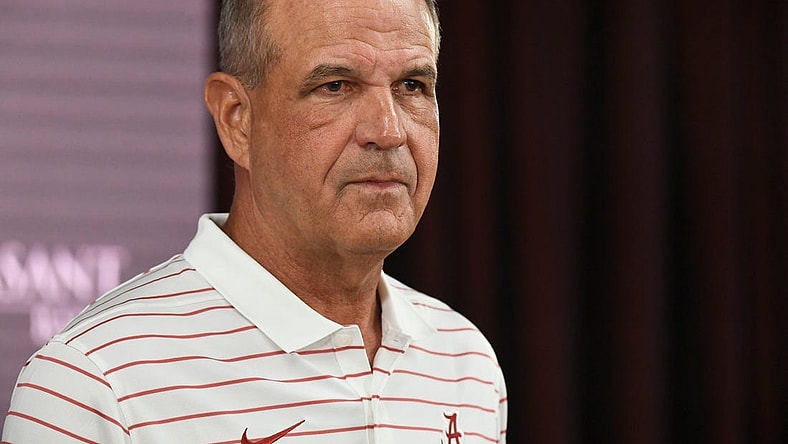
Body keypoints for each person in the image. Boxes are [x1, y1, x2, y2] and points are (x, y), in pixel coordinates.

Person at [2, 0, 507, 442]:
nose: (388, 129)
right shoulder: (93, 383)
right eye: (335, 86)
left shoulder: (466, 364)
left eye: (412, 85)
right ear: (235, 118)